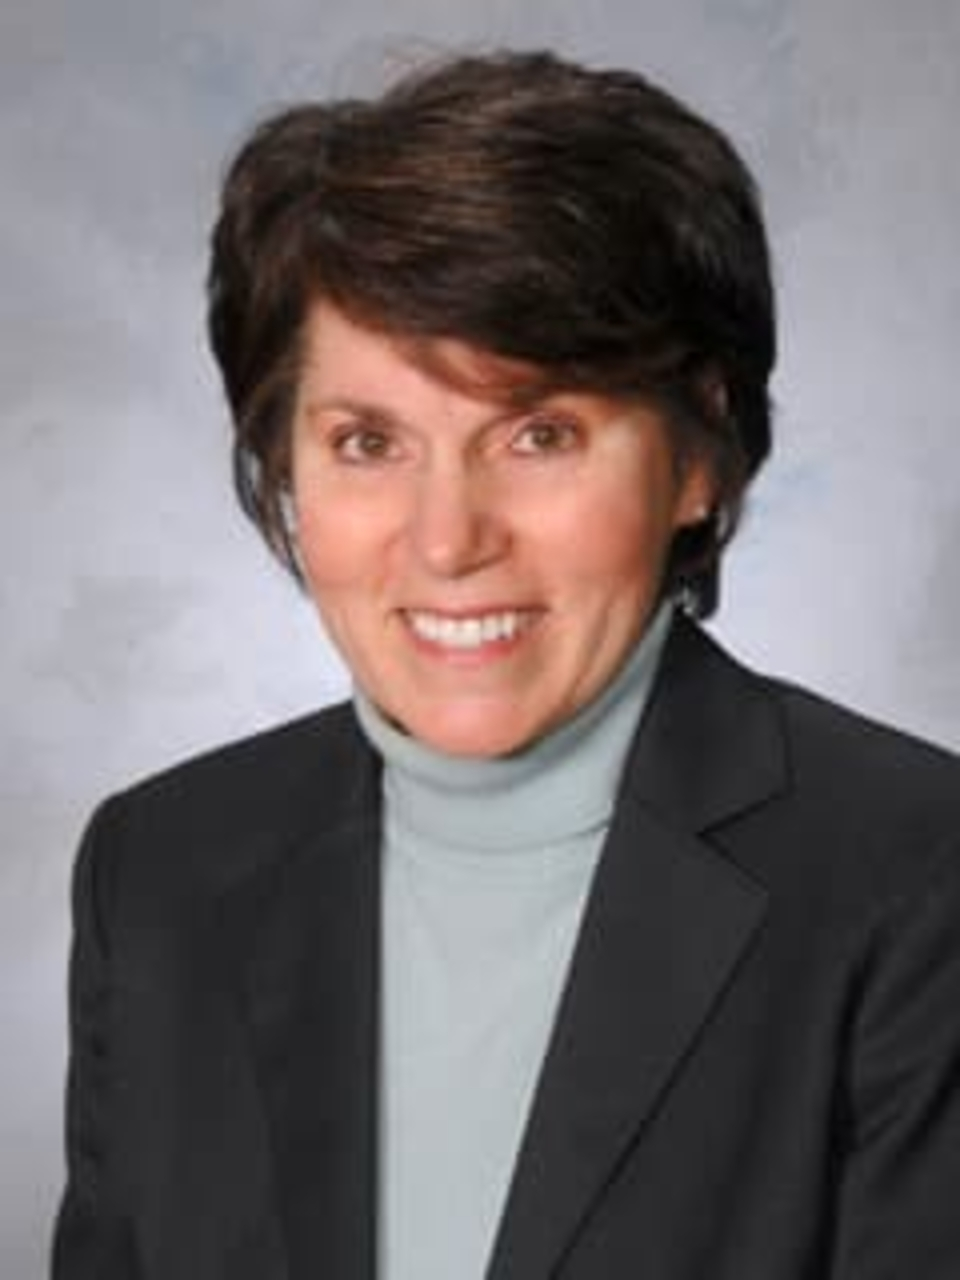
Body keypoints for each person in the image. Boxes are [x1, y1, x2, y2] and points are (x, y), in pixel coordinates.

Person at [52, 49, 960, 1280]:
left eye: (540, 432)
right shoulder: (156, 874)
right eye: (366, 440)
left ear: (698, 453)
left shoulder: (915, 875)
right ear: (285, 466)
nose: (448, 538)